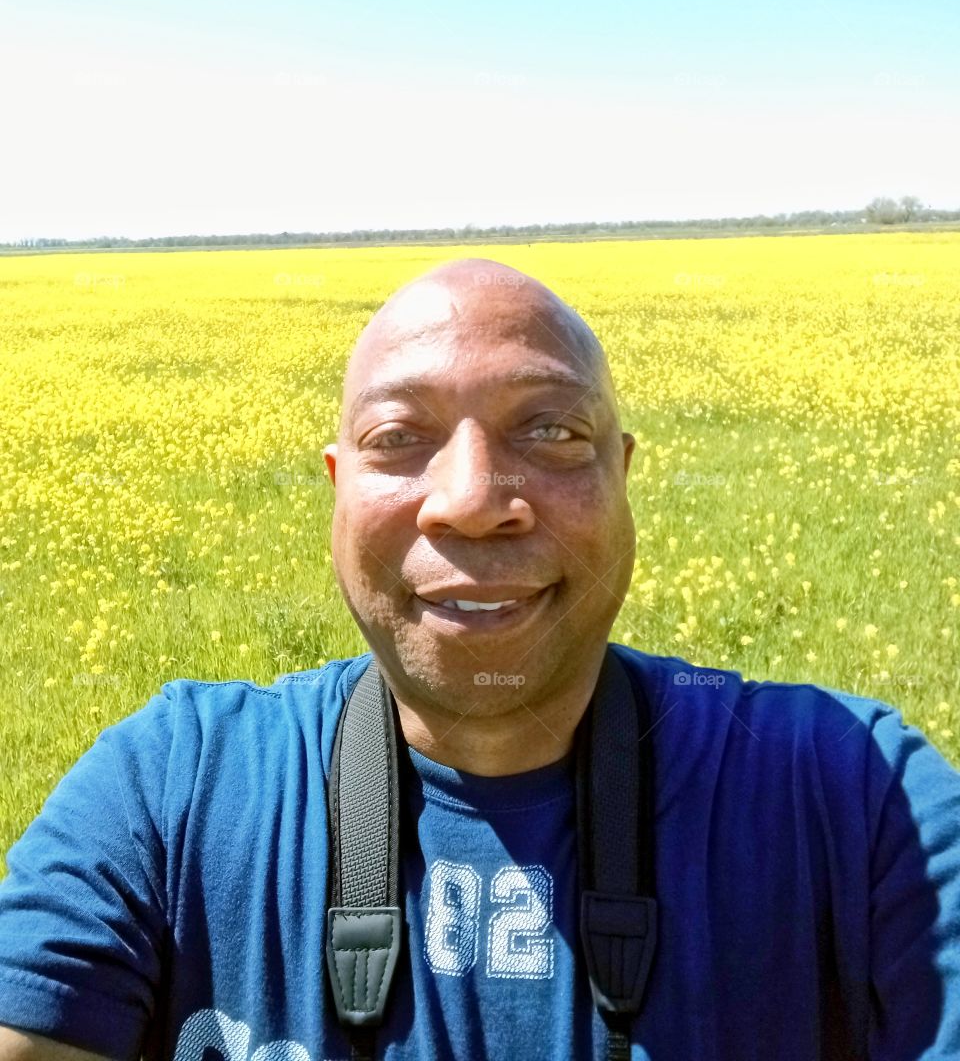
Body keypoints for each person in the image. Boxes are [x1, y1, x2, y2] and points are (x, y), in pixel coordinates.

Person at [0, 257, 959, 1061]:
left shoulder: (859, 796)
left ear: (623, 474)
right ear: (338, 489)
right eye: (398, 438)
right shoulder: (172, 787)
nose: (469, 497)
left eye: (551, 430)